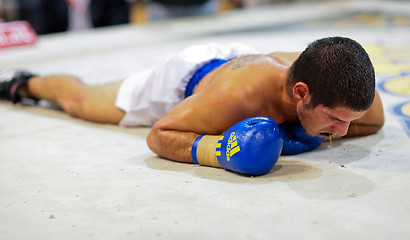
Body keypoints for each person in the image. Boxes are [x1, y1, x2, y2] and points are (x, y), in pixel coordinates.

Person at [0, 36, 384, 175]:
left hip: (244, 59)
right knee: (82, 101)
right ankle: (24, 82)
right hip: (189, 78)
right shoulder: (234, 97)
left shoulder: (339, 88)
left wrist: (311, 130)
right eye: (334, 119)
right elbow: (159, 134)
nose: (345, 132)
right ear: (302, 93)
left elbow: (372, 120)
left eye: (350, 120)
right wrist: (222, 151)